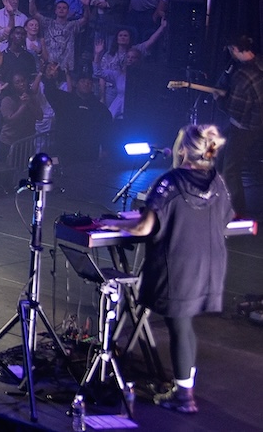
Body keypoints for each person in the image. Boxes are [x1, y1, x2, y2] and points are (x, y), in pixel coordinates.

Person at [99, 124, 233, 413]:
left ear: (183, 150)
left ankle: (184, 398)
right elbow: (226, 219)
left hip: (178, 265)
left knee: (179, 326)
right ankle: (184, 387)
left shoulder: (170, 182)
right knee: (184, 325)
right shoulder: (217, 181)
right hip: (209, 265)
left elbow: (144, 227)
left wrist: (114, 224)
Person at [221, 34, 263, 216]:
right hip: (257, 124)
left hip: (245, 127)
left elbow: (236, 111)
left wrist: (219, 99)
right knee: (220, 150)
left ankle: (237, 212)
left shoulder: (243, 75)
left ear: (235, 49)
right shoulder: (260, 63)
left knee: (230, 169)